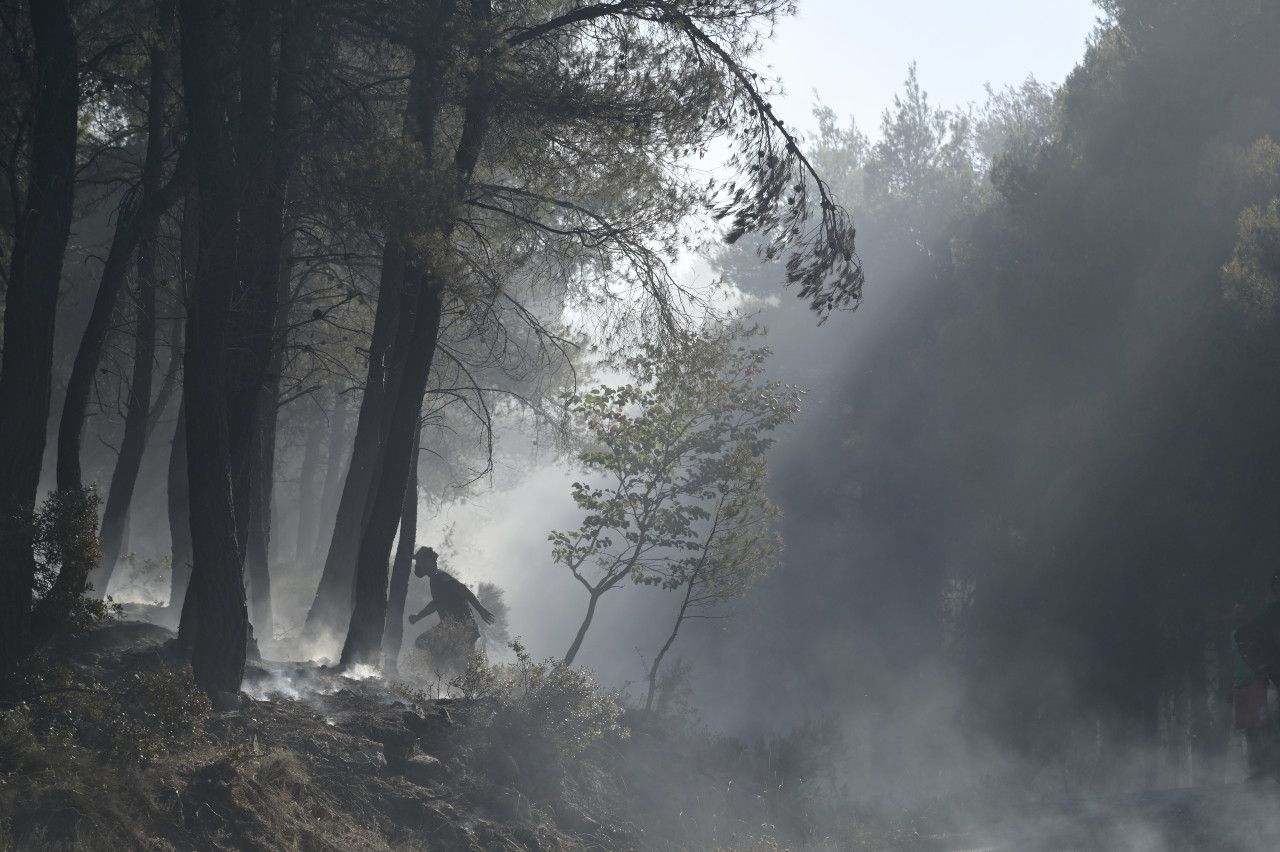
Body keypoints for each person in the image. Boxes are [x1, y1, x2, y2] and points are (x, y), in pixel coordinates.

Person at [407, 546, 495, 670]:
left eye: (419, 562)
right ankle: (443, 676)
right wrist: (418, 616)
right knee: (459, 664)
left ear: (427, 561)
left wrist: (481, 610)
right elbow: (436, 604)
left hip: (461, 626)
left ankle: (442, 674)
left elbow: (463, 589)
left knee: (425, 644)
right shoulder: (435, 580)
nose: (418, 565)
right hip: (453, 626)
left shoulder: (440, 577)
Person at [1230, 603, 1270, 780]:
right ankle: (1255, 769)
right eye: (1238, 614)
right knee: (1248, 729)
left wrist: (1262, 678)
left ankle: (1266, 767)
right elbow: (1233, 662)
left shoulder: (1256, 634)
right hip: (1240, 686)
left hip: (1256, 683)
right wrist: (1230, 686)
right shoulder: (1232, 636)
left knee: (1260, 727)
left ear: (1249, 615)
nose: (1241, 617)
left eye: (1244, 613)